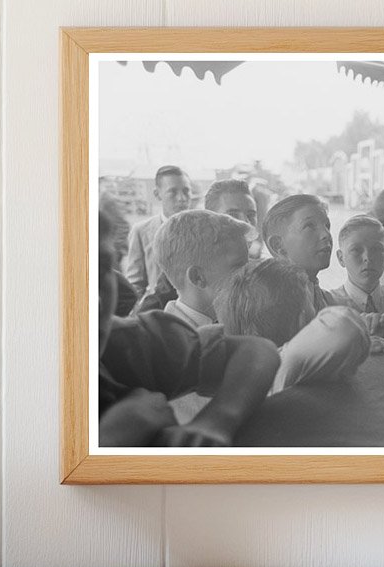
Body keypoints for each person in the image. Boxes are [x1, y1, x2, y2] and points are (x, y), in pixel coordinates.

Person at [96, 204, 279, 447]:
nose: (250, 276)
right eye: (238, 267)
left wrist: (217, 420)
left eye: (103, 269)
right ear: (197, 277)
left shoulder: (140, 341)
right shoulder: (163, 351)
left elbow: (256, 350)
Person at [215, 259, 374, 393]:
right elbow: (344, 325)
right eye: (312, 306)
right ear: (302, 318)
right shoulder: (281, 370)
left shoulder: (246, 373)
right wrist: (363, 328)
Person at [154, 210, 251, 329]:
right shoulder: (168, 339)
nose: (250, 273)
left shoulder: (244, 322)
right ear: (198, 277)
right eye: (238, 267)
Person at [331, 215, 384, 333]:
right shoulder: (330, 307)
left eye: (376, 250)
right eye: (356, 250)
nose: (368, 257)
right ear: (341, 258)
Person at [123, 165, 197, 299]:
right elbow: (135, 284)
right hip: (158, 308)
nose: (181, 198)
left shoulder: (203, 230)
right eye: (173, 192)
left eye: (186, 191)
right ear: (157, 194)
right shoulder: (141, 231)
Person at [262, 194, 335, 311]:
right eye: (309, 226)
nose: (326, 234)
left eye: (327, 226)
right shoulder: (268, 307)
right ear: (278, 245)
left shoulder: (330, 301)